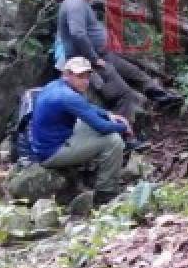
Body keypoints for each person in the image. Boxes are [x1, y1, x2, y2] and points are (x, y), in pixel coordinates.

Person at [55, 0, 183, 124]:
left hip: (103, 54)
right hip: (87, 62)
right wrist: (94, 59)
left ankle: (161, 97)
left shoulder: (82, 1)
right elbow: (77, 34)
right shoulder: (75, 4)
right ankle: (122, 136)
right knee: (124, 95)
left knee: (134, 72)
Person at [29, 57, 132, 204]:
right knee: (113, 141)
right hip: (51, 152)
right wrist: (124, 127)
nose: (85, 81)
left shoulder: (54, 85)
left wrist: (108, 114)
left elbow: (85, 108)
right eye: (79, 76)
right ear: (67, 74)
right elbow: (101, 127)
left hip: (48, 141)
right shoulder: (68, 96)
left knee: (96, 122)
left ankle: (92, 167)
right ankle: (106, 192)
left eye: (87, 76)